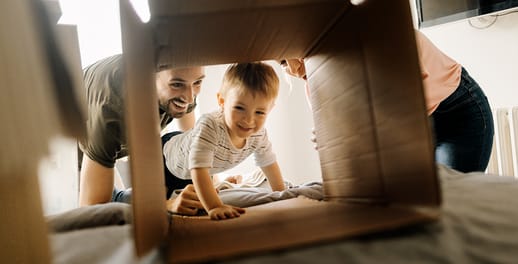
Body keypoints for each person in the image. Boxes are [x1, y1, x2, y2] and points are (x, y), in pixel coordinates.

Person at [279, 30, 494, 173]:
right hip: (413, 129)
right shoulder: (315, 84)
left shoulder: (368, 33)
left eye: (285, 59)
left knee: (452, 203)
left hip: (456, 113)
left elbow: (402, 100)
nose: (292, 71)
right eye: (281, 64)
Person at [78, 54, 206, 215]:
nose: (189, 98)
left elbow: (195, 147)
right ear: (149, 77)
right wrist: (166, 205)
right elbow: (91, 210)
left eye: (198, 82)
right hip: (64, 159)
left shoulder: (183, 85)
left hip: (105, 146)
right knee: (109, 207)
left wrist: (213, 182)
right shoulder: (113, 112)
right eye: (177, 84)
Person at [161, 62, 286, 220]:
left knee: (194, 195)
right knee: (157, 206)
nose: (249, 120)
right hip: (166, 158)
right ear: (222, 101)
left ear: (270, 109)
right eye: (239, 108)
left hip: (194, 168)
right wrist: (215, 206)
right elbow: (199, 170)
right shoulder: (210, 126)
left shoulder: (259, 134)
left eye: (260, 112)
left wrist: (282, 195)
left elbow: (269, 163)